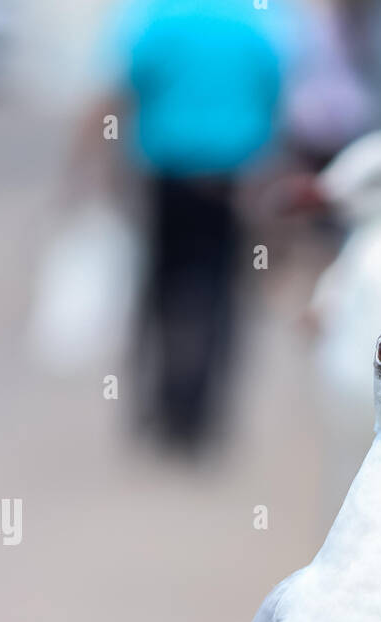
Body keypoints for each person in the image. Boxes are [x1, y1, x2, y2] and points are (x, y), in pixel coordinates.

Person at [84, 0, 301, 451]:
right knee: (221, 291)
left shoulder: (155, 17)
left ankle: (162, 407)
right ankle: (204, 415)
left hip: (168, 175)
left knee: (161, 289)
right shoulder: (258, 20)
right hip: (233, 178)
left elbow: (122, 87)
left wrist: (96, 163)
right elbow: (276, 92)